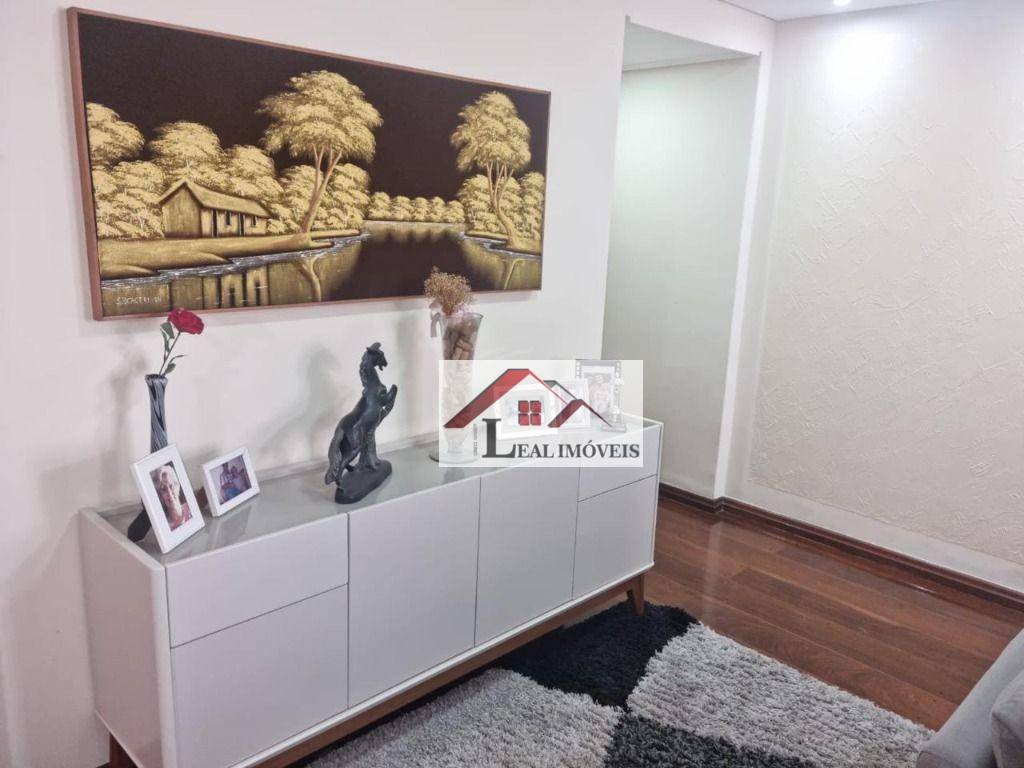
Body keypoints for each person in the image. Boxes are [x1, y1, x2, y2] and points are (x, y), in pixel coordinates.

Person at [153, 464, 192, 531]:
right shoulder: (164, 528)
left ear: (177, 487)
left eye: (171, 486)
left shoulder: (191, 508)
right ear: (160, 496)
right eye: (163, 489)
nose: (169, 493)